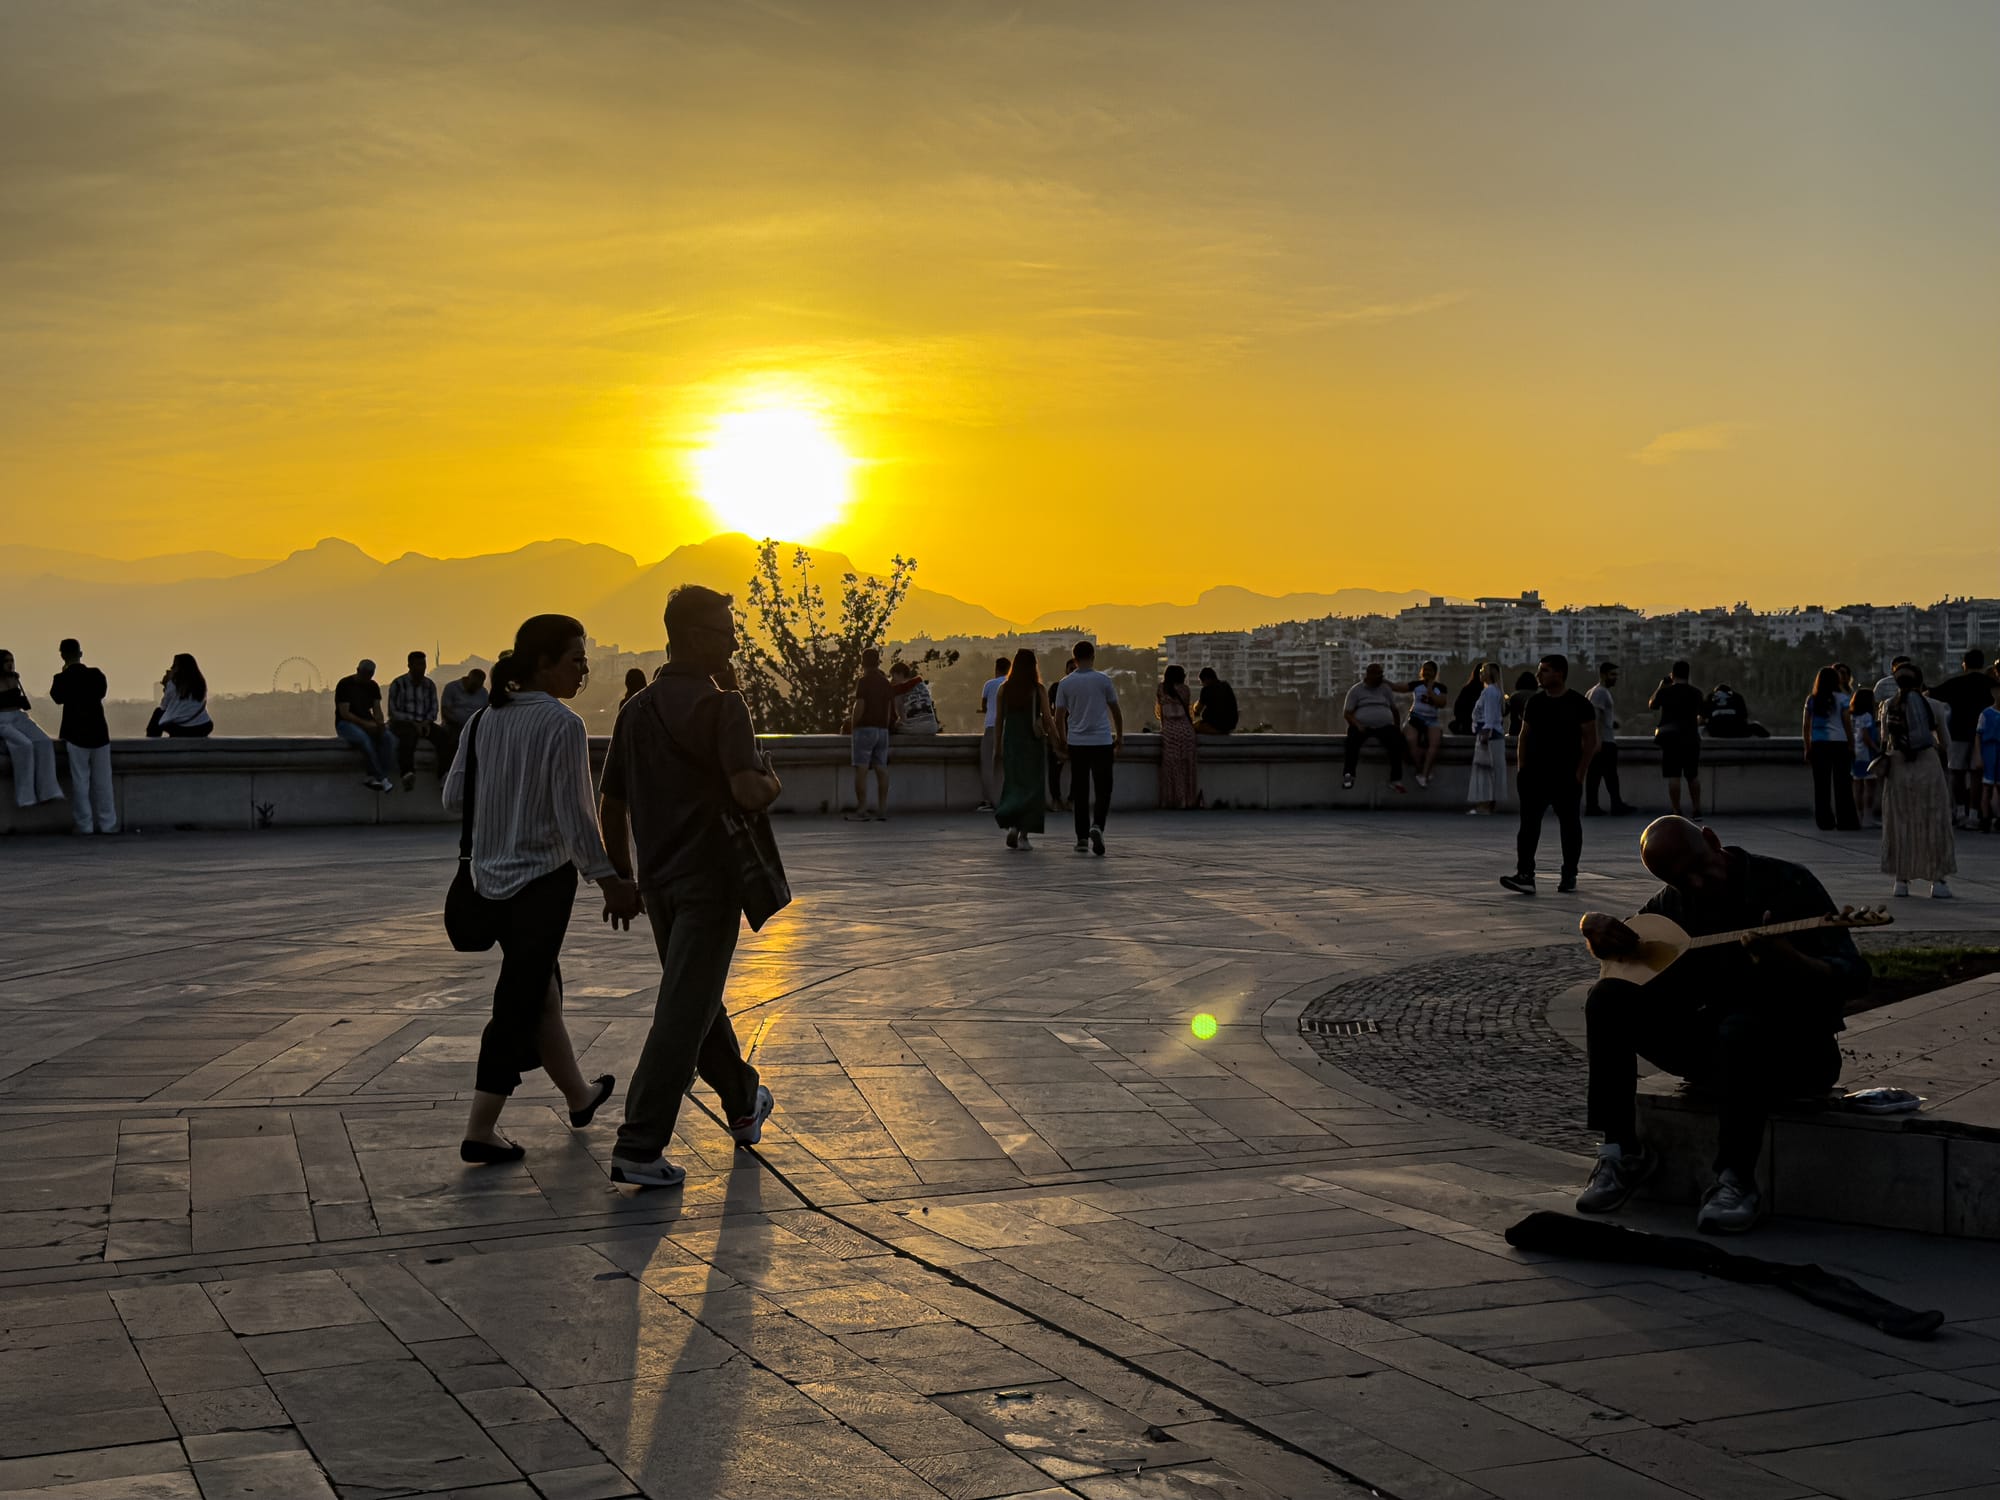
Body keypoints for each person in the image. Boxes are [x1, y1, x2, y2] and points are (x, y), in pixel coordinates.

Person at [1575, 817, 1864, 1234]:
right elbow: (1629, 948)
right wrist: (1593, 928)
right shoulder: (1675, 902)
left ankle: (1736, 1180)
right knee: (1607, 998)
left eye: (1699, 866)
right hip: (1714, 1052)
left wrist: (1793, 962)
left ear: (1712, 840)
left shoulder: (1786, 882)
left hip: (1795, 1053)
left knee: (1743, 1027)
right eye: (1679, 879)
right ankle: (1621, 1150)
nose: (1696, 883)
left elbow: (1855, 975)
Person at [598, 586, 782, 1189]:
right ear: (696, 637)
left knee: (694, 998)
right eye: (726, 630)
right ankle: (640, 1143)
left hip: (657, 884)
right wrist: (770, 780)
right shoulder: (723, 706)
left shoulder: (635, 710)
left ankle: (741, 1097)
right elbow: (749, 790)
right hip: (710, 880)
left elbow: (613, 803)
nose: (733, 641)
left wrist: (620, 876)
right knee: (683, 1011)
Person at [443, 615, 638, 1165]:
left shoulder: (482, 721)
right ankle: (480, 1129)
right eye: (576, 658)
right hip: (541, 885)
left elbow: (452, 799)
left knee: (539, 989)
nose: (583, 668)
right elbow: (577, 819)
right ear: (544, 663)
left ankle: (579, 1096)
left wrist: (504, 802)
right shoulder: (562, 724)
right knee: (519, 1001)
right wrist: (611, 882)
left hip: (487, 878)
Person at [1500, 654, 1597, 896]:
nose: (1538, 675)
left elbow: (1591, 741)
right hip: (1535, 775)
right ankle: (1525, 875)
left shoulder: (1579, 703)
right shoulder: (1535, 702)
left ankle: (1569, 873)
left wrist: (1580, 773)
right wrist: (1522, 769)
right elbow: (1524, 735)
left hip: (1566, 776)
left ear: (1559, 674)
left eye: (1544, 670)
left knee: (1570, 826)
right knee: (1528, 827)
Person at [1878, 663, 1955, 898]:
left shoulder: (1888, 706)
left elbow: (1885, 740)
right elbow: (1945, 742)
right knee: (1934, 822)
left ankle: (1901, 880)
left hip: (1899, 768)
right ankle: (1938, 881)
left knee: (1900, 823)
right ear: (1921, 682)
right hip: (1928, 766)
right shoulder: (1934, 706)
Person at [1052, 639, 1122, 855]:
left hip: (1077, 742)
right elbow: (1115, 710)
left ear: (1074, 658)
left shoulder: (1065, 683)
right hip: (1101, 741)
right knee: (1103, 789)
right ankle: (1097, 826)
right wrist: (1120, 736)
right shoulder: (1103, 680)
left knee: (1080, 791)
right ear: (1093, 657)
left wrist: (1062, 741)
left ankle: (1081, 838)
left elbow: (1059, 717)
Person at [49, 639, 114, 834]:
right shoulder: (96, 675)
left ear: (62, 655)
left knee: (80, 782)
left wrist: (64, 673)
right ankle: (108, 824)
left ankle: (84, 825)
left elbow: (57, 698)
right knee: (104, 782)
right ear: (81, 653)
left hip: (75, 734)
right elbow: (101, 693)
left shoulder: (61, 678)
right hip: (99, 733)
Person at [994, 648, 1056, 849]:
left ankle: (1012, 824)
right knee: (1032, 789)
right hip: (1032, 742)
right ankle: (1024, 834)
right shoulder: (1038, 689)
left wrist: (997, 747)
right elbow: (1047, 718)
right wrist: (1059, 739)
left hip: (1012, 740)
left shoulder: (1005, 688)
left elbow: (998, 720)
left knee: (1013, 785)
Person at [1933, 649, 1993, 830]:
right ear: (1982, 665)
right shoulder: (1991, 684)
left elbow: (1931, 694)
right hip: (1983, 735)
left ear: (1964, 663)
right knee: (1976, 775)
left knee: (1956, 773)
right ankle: (1974, 814)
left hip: (1957, 734)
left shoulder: (1955, 684)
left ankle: (1959, 811)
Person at [0, 650, 64, 810]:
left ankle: (49, 790)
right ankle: (25, 797)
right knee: (24, 746)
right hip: (2, 719)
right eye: (6, 661)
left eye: (11, 660)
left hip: (17, 715)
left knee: (44, 742)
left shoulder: (14, 679)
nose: (10, 664)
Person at [1802, 666, 1859, 832]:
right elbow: (1847, 723)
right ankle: (1845, 820)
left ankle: (1824, 821)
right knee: (1843, 785)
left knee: (1821, 785)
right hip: (1839, 743)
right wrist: (1851, 743)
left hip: (1819, 745)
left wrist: (1807, 746)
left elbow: (1806, 725)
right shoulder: (1842, 699)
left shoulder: (1812, 700)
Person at [1649, 661, 1705, 818]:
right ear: (1688, 675)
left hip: (1671, 739)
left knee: (1674, 776)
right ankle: (1696, 809)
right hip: (1691, 738)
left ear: (1672, 675)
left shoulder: (1666, 692)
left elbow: (1652, 704)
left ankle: (1676, 810)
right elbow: (1702, 716)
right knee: (1692, 776)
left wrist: (1661, 686)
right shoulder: (1696, 693)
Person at [1340, 663, 1407, 794]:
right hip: (1362, 726)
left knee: (1397, 742)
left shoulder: (1385, 689)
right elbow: (1347, 713)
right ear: (1369, 675)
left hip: (1383, 726)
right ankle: (1349, 774)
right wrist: (1358, 725)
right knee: (1352, 740)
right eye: (1378, 674)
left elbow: (1394, 709)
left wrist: (1396, 727)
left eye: (1382, 674)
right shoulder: (1356, 690)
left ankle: (1395, 779)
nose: (1381, 677)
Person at [333, 659, 398, 791]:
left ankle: (374, 777)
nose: (367, 678)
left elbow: (377, 709)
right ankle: (382, 778)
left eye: (370, 675)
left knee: (388, 739)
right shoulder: (345, 684)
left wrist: (379, 723)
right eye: (365, 675)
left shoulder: (372, 686)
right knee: (364, 740)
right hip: (346, 724)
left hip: (367, 722)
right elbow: (345, 713)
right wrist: (366, 725)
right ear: (358, 671)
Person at [846, 646, 894, 821]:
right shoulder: (885, 682)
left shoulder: (864, 682)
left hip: (865, 728)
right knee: (882, 768)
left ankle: (862, 809)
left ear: (863, 663)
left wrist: (853, 726)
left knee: (862, 768)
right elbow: (889, 709)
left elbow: (860, 705)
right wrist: (886, 726)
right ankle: (882, 809)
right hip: (882, 730)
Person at [1585, 662, 1635, 817]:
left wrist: (1611, 723)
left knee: (1599, 775)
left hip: (1603, 740)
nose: (1615, 678)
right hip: (1605, 742)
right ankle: (1613, 805)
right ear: (1603, 675)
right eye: (1612, 675)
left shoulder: (1593, 692)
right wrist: (1598, 740)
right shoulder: (1600, 692)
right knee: (1607, 776)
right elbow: (1595, 717)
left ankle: (1597, 806)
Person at [388, 650, 443, 792]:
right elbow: (393, 711)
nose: (422, 668)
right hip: (404, 723)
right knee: (407, 739)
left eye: (423, 664)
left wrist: (426, 722)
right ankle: (407, 773)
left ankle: (444, 773)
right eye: (418, 664)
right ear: (410, 665)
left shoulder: (429, 685)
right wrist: (413, 723)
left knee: (444, 737)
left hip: (424, 722)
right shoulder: (398, 684)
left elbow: (434, 708)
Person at [1156, 664, 1200, 809]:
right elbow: (1188, 711)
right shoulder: (1185, 690)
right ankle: (1187, 800)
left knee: (1172, 767)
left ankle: (1174, 799)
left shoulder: (1161, 689)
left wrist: (1163, 729)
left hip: (1170, 731)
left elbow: (1162, 713)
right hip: (1186, 731)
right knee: (1187, 766)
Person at [1467, 662, 1507, 815]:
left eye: (1483, 671)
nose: (1480, 673)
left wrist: (1485, 733)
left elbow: (1489, 715)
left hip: (1487, 735)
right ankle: (1489, 805)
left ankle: (1483, 805)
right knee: (1493, 772)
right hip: (1494, 735)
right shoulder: (1495, 691)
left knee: (1484, 772)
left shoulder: (1489, 691)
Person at [1402, 660, 1447, 789]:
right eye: (1424, 669)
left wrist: (1431, 691)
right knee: (1411, 740)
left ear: (1434, 673)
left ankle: (1424, 774)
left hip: (1432, 719)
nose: (1427, 672)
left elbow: (1442, 703)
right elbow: (1400, 687)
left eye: (1430, 670)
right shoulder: (1416, 685)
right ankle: (1421, 770)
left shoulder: (1440, 688)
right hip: (1415, 718)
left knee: (1435, 743)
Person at [145, 654, 213, 738]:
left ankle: (151, 743)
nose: (171, 668)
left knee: (158, 712)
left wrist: (166, 686)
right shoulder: (201, 683)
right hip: (203, 726)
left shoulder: (173, 684)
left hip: (181, 729)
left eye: (173, 666)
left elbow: (163, 707)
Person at [439, 666, 488, 775]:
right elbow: (445, 711)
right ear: (467, 679)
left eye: (478, 687)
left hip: (476, 726)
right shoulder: (452, 688)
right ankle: (447, 772)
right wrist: (460, 722)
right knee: (453, 740)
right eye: (474, 685)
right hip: (454, 725)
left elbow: (486, 711)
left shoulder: (483, 692)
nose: (475, 689)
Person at [977, 655, 1010, 811]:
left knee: (988, 766)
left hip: (991, 726)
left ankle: (989, 801)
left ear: (996, 669)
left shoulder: (989, 684)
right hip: (1009, 727)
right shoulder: (1013, 684)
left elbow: (984, 706)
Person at [1849, 686, 1881, 829]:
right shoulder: (1867, 716)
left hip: (1855, 752)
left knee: (1857, 784)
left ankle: (1858, 815)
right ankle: (1868, 816)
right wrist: (1877, 749)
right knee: (1870, 785)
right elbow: (1867, 737)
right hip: (1867, 753)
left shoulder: (1852, 716)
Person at [1048, 657, 1076, 811]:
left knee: (1078, 770)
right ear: (1066, 670)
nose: (1072, 671)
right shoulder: (1056, 687)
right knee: (1054, 769)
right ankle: (1056, 799)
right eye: (1070, 669)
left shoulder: (1080, 688)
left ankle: (1071, 799)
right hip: (1059, 732)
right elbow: (1050, 711)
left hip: (1076, 732)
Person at [890, 662, 941, 734]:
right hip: (932, 727)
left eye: (893, 676)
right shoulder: (921, 685)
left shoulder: (899, 691)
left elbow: (901, 718)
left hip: (915, 729)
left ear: (900, 674)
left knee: (894, 729)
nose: (892, 680)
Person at [1979, 676, 2000, 834]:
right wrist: (1977, 755)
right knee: (1987, 786)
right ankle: (1985, 819)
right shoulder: (1986, 713)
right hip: (1989, 751)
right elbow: (1978, 735)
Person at [1194, 666, 1239, 735]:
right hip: (1229, 726)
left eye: (1202, 681)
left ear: (1206, 679)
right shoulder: (1226, 685)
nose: (1202, 684)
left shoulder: (1206, 689)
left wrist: (1194, 708)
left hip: (1215, 726)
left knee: (1193, 727)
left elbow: (1198, 709)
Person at [1449, 663, 1485, 737]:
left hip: (1467, 726)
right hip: (1474, 726)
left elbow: (1457, 708)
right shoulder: (1487, 691)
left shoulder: (1467, 689)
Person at [1505, 670, 1537, 737]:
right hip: (1533, 733)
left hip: (1515, 731)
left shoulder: (1515, 696)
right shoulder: (1537, 696)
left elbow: (1505, 711)